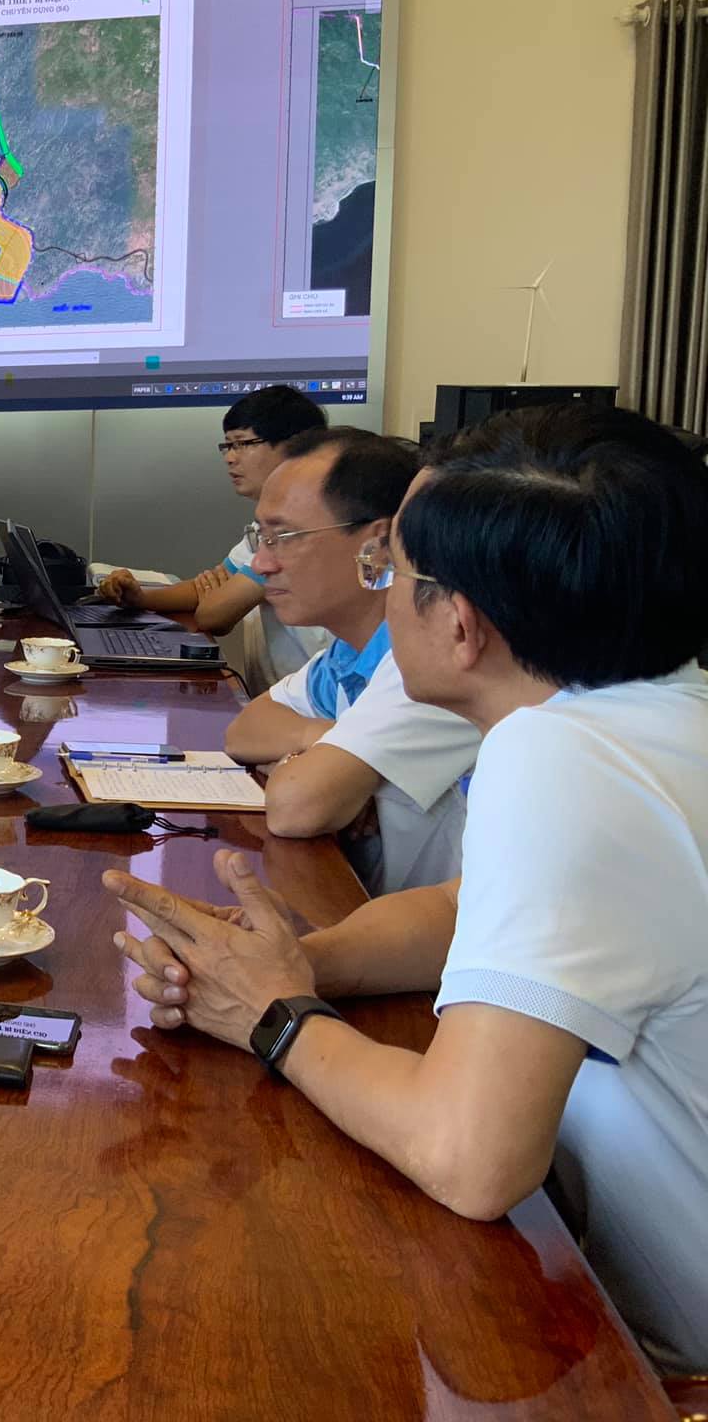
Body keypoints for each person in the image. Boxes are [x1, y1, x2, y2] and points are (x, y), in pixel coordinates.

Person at [105, 404, 708, 1375]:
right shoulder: (657, 710)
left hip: (646, 1358)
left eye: (392, 575)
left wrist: (274, 1014)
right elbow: (465, 910)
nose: (381, 598)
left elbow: (467, 1156)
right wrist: (300, 961)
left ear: (459, 623)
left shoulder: (561, 757)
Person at [221, 427, 477, 893]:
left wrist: (308, 764)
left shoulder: (431, 663)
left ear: (378, 548)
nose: (261, 563)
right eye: (260, 536)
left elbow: (297, 804)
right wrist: (325, 739)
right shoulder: (349, 652)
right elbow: (244, 730)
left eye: (284, 537)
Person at [96, 385, 331, 690]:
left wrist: (222, 594)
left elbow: (213, 615)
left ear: (294, 447)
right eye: (227, 446)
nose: (230, 458)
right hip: (277, 696)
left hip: (320, 706)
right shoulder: (262, 530)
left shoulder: (304, 530)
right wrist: (140, 598)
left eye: (243, 444)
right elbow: (203, 588)